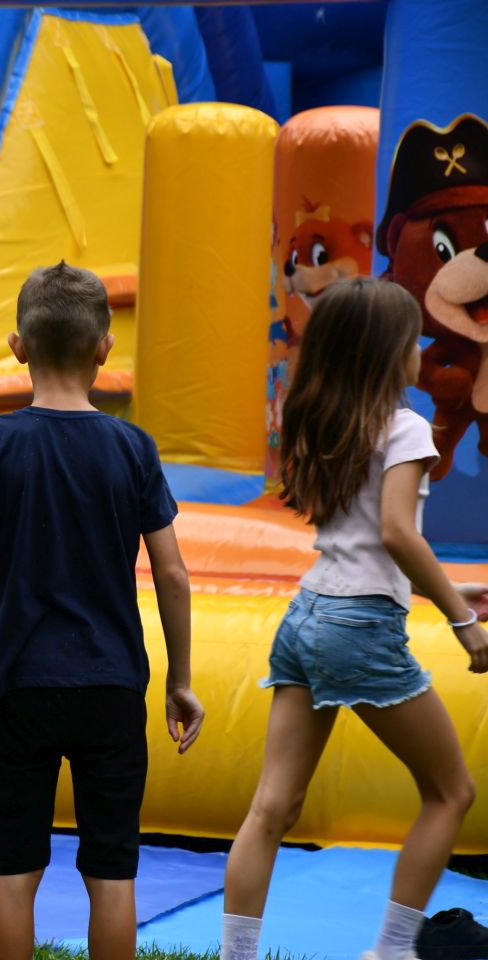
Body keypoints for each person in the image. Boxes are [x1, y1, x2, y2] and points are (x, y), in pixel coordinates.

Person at [0, 261, 204, 960]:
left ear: (18, 347)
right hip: (112, 684)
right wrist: (181, 676)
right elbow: (172, 572)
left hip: (22, 683)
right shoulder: (131, 447)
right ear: (105, 349)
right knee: (112, 873)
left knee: (14, 872)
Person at [220, 277, 488, 960]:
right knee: (450, 791)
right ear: (383, 351)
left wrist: (452, 587)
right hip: (358, 629)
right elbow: (398, 533)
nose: (421, 352)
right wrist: (463, 622)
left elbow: (366, 539)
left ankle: (235, 955)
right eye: (412, 340)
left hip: (306, 616)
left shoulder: (331, 419)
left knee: (272, 808)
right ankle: (392, 950)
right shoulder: (403, 426)